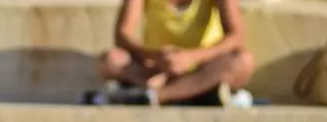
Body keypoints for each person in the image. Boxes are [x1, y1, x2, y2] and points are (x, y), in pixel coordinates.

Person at [93, 0, 255, 105]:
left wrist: (191, 57)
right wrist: (154, 57)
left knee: (242, 62)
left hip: (203, 68)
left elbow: (236, 36)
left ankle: (156, 96)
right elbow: (122, 34)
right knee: (112, 60)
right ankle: (185, 93)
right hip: (157, 69)